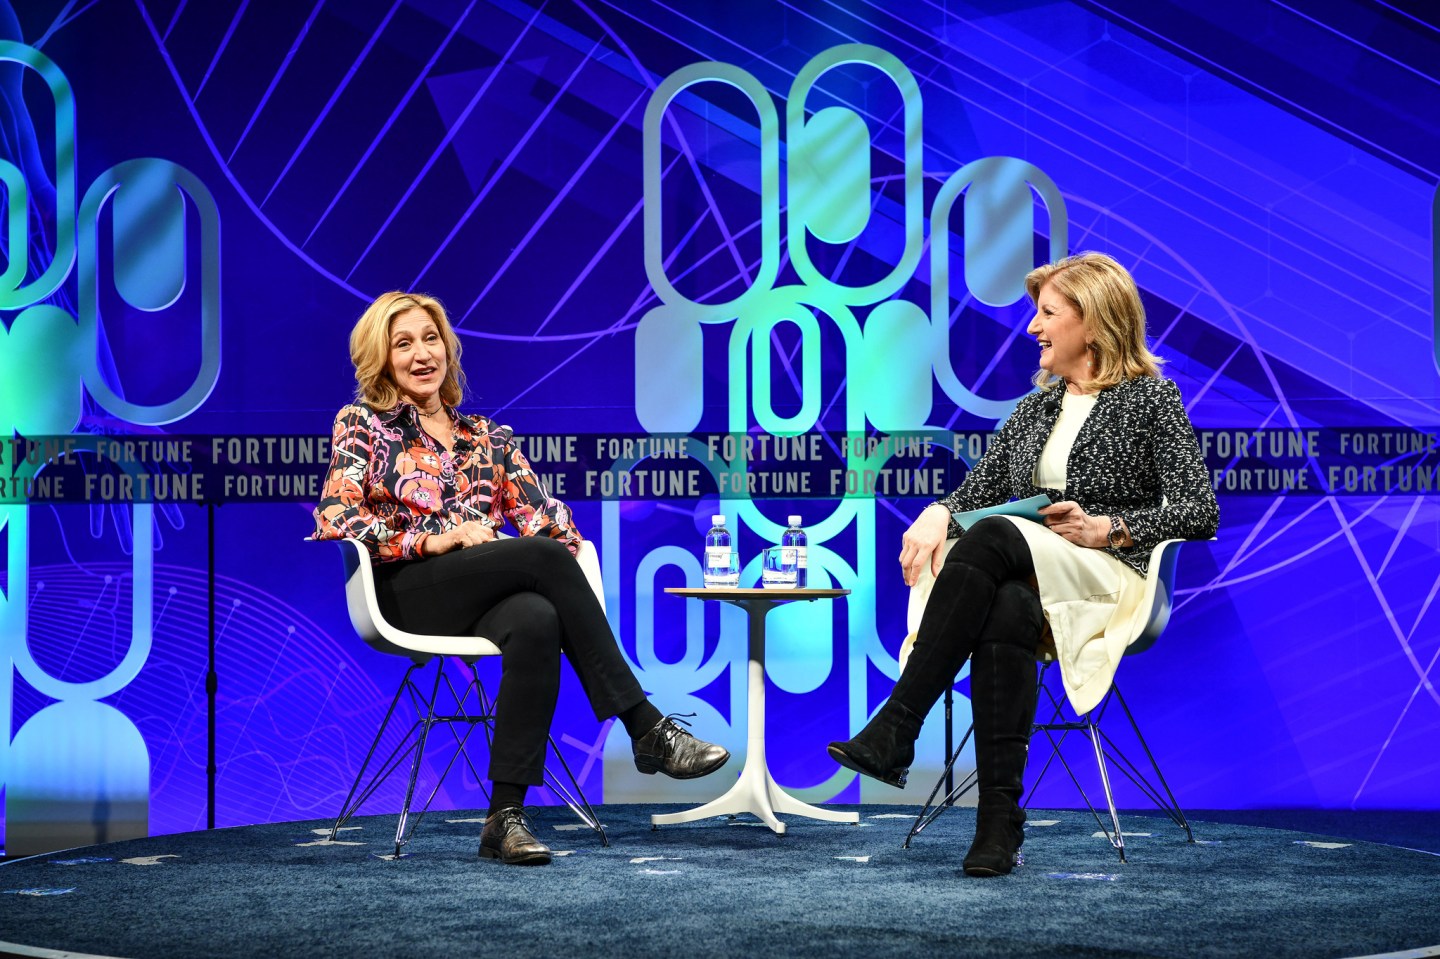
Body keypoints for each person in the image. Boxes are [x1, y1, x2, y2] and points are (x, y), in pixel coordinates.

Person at [828, 252, 1219, 877]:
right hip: (1030, 577)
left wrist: (1109, 528)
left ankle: (899, 722)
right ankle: (998, 823)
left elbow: (1199, 510)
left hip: (1106, 573)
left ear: (1091, 323)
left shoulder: (1151, 399)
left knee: (991, 537)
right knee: (1005, 601)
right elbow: (975, 494)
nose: (1033, 328)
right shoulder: (1036, 410)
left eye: (1047, 314)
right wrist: (937, 513)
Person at [313, 291, 730, 866]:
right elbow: (338, 515)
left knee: (537, 616)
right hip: (407, 590)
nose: (420, 354)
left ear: (447, 348)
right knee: (539, 561)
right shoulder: (364, 425)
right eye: (402, 344)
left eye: (430, 339)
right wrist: (432, 539)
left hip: (478, 592)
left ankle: (503, 818)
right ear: (381, 359)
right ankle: (646, 726)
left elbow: (543, 517)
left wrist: (570, 543)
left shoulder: (489, 437)